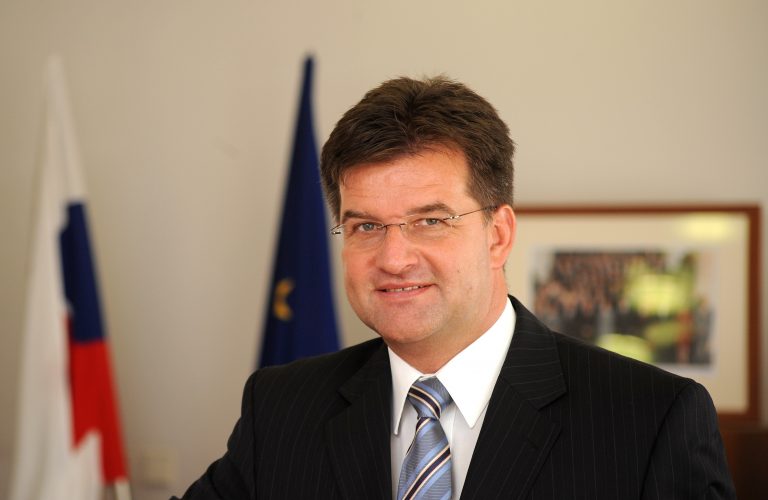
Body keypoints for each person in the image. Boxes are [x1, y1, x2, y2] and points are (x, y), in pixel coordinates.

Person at [174, 76, 735, 499]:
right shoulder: (281, 408)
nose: (394, 258)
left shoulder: (651, 419)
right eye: (366, 226)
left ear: (498, 235)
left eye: (430, 220)